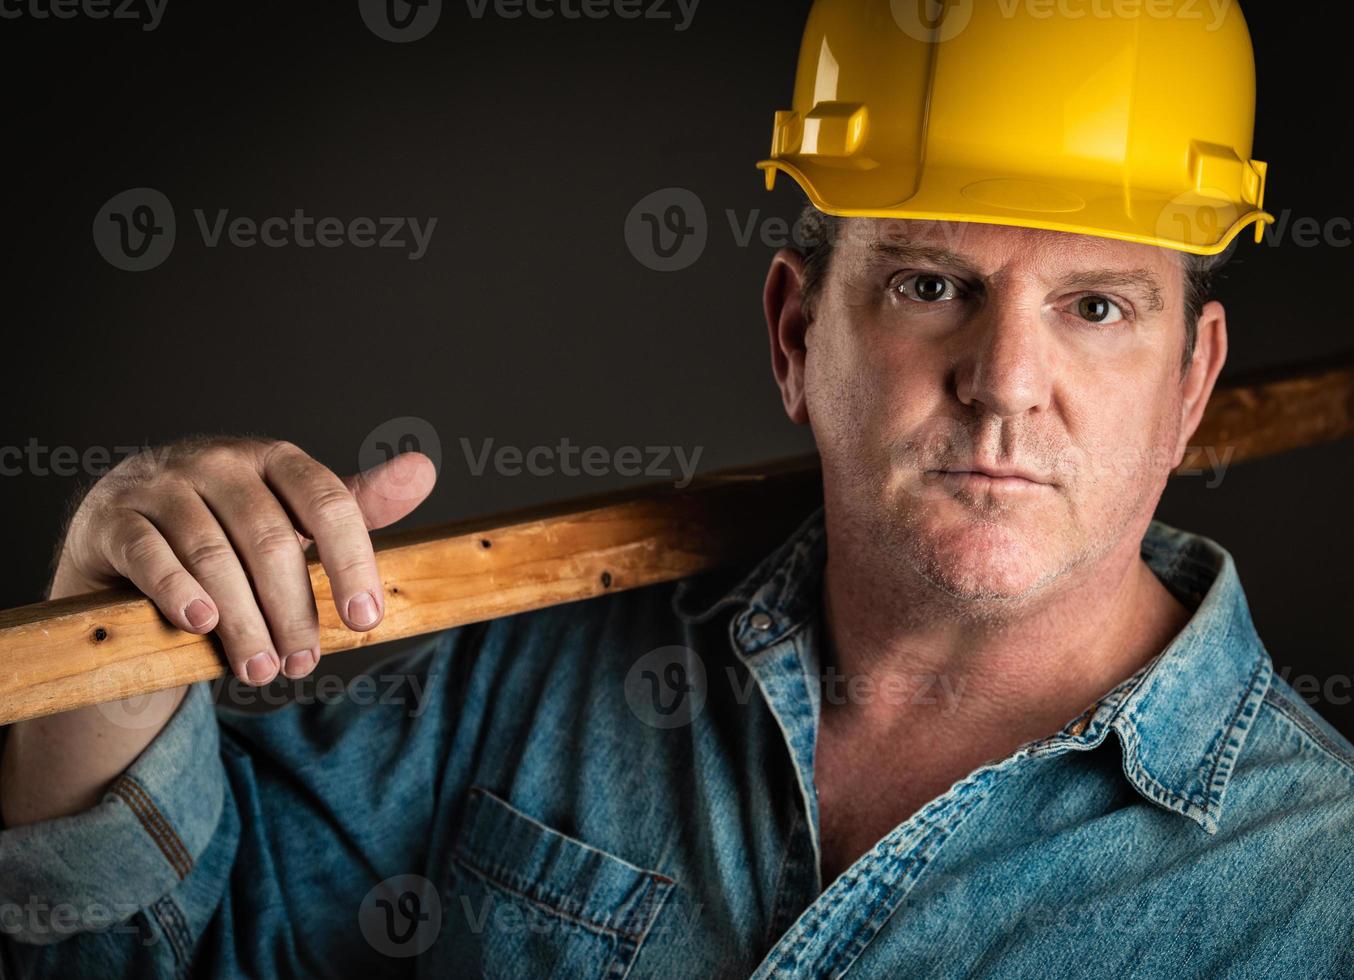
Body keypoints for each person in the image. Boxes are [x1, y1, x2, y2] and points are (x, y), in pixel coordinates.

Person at [3, 1, 1351, 976]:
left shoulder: (1315, 895)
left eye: (1098, 306)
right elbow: (146, 960)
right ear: (791, 335)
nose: (1002, 380)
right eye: (929, 287)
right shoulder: (524, 677)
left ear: (1190, 383)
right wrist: (109, 654)